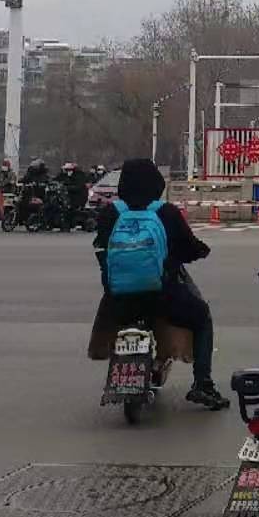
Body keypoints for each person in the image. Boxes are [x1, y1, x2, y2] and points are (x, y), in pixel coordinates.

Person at [91, 159, 227, 410]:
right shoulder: (165, 212)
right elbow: (188, 247)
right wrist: (199, 251)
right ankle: (203, 384)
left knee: (113, 310)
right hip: (162, 296)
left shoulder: (111, 213)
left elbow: (100, 249)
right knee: (201, 316)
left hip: (119, 299)